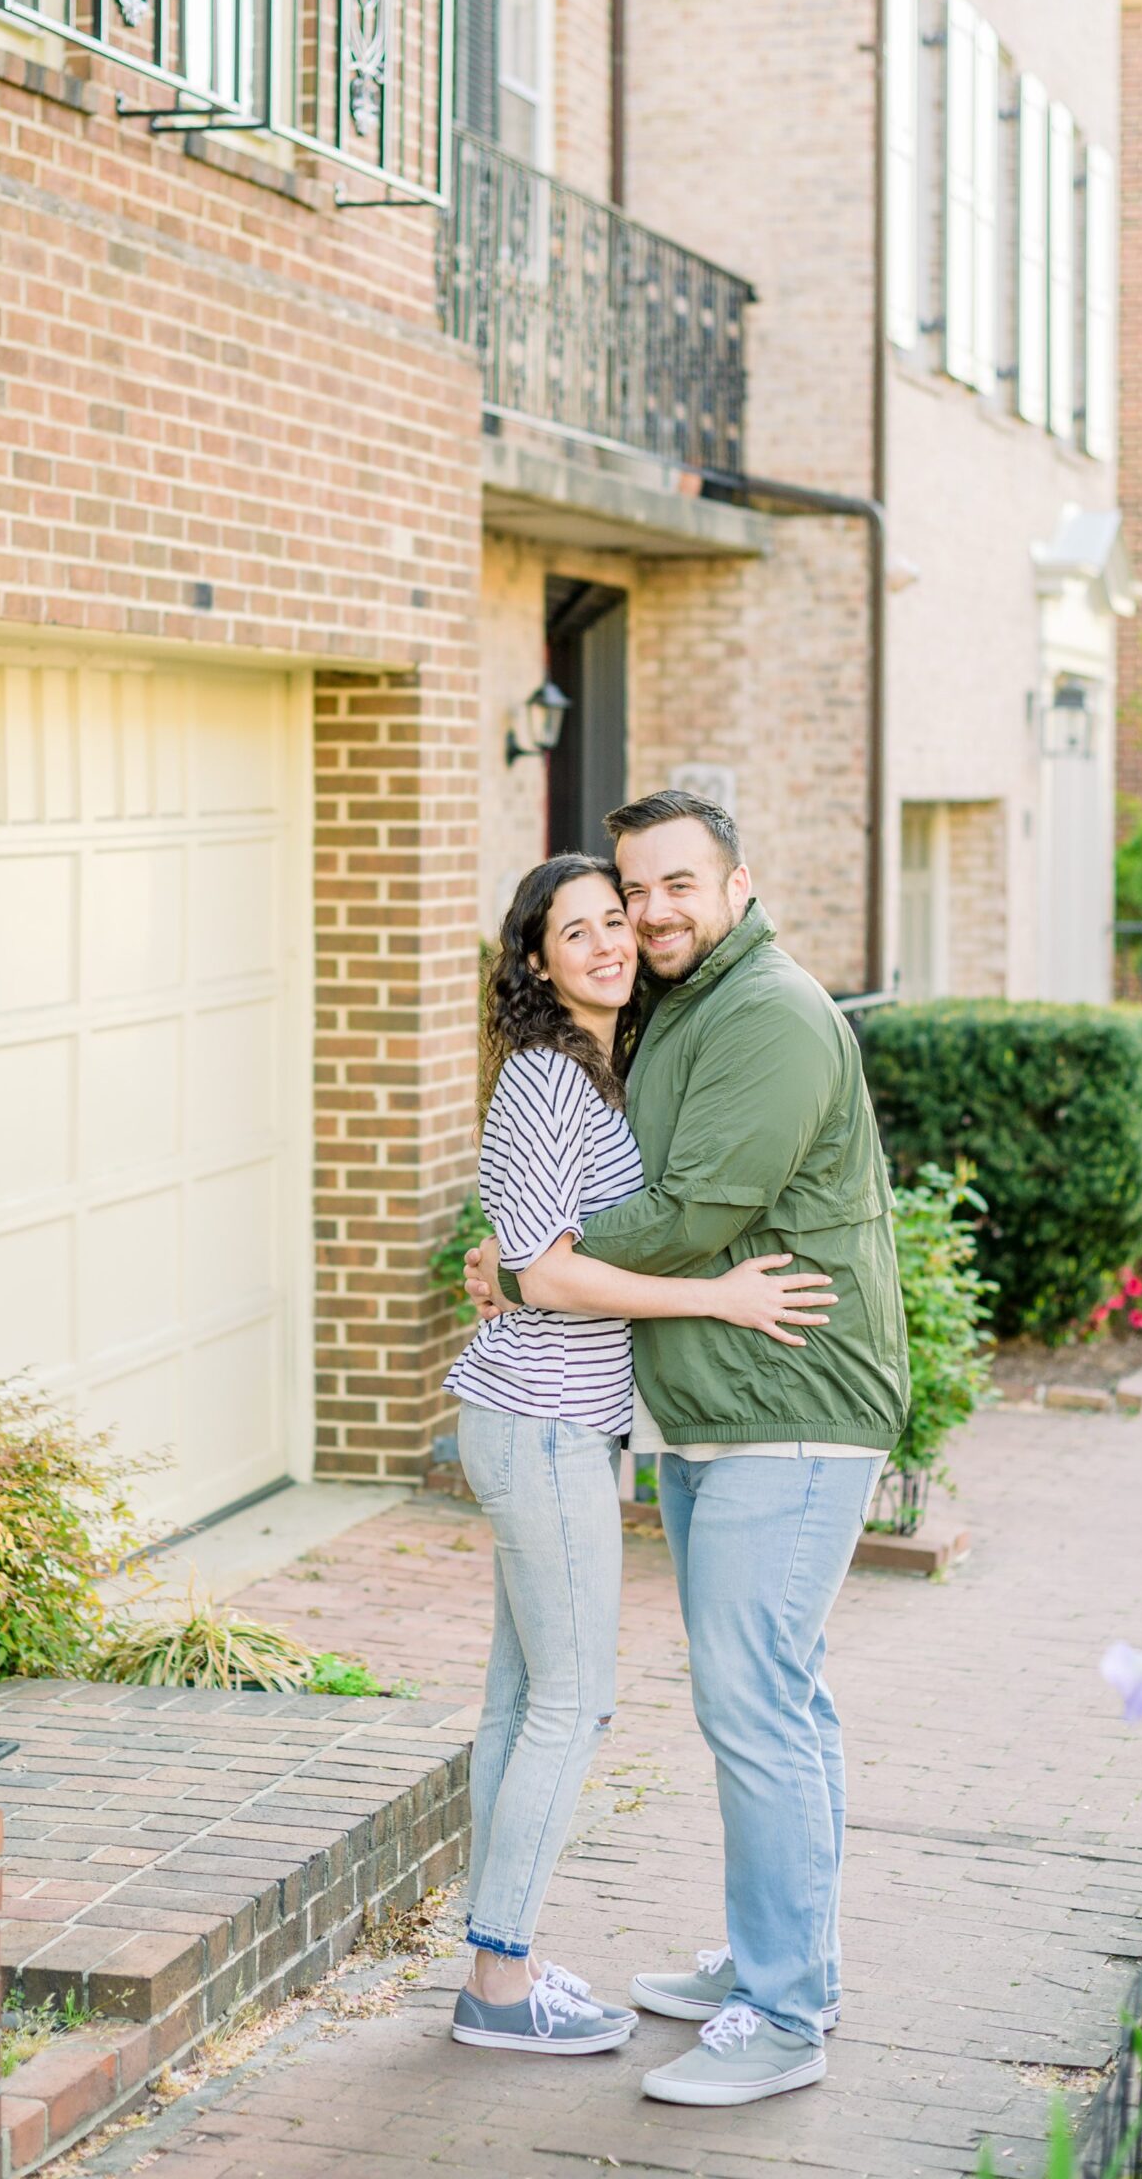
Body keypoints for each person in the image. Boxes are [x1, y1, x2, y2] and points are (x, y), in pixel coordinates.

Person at [466, 791, 910, 2106]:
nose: (647, 916)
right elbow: (563, 1178)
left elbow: (686, 1209)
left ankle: (781, 2017)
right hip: (715, 1406)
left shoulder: (765, 1013)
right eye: (626, 894)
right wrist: (515, 1252)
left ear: (737, 882)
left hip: (791, 1400)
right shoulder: (671, 1009)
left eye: (671, 889)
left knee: (753, 1703)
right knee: (775, 1699)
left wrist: (535, 1268)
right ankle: (784, 1964)